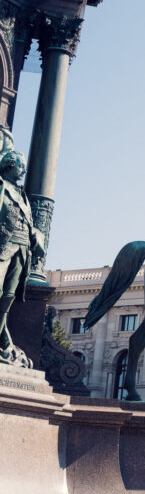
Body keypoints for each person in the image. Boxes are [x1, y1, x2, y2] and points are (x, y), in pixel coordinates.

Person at [0, 151, 45, 366]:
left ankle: (2, 340)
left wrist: (36, 235)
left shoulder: (23, 194)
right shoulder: (1, 186)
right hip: (3, 247)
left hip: (21, 249)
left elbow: (27, 222)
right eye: (21, 165)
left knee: (7, 298)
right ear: (9, 164)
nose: (24, 170)